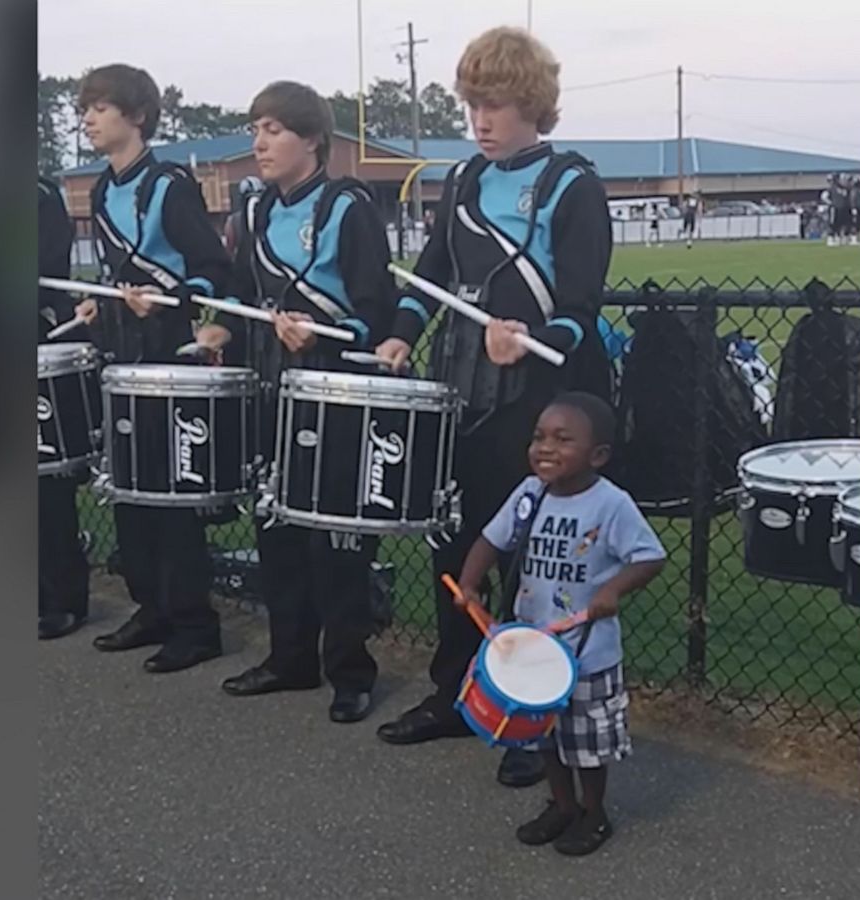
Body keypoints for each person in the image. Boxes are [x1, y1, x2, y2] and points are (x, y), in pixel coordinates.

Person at [372, 26, 615, 789]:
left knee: (533, 564)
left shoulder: (575, 183)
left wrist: (534, 337)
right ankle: (455, 692)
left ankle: (531, 717)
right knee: (458, 545)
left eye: (498, 103)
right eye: (473, 103)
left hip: (545, 392)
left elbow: (582, 298)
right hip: (463, 387)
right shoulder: (464, 180)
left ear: (534, 105)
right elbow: (430, 276)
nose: (481, 119)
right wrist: (403, 336)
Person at [214, 81, 395, 724]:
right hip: (271, 383)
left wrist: (320, 332)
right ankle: (290, 657)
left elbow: (376, 311)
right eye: (255, 128)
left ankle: (351, 669)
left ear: (312, 139)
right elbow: (242, 294)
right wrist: (221, 327)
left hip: (336, 386)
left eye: (273, 130)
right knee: (276, 525)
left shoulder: (351, 207)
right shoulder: (257, 210)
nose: (258, 143)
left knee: (334, 535)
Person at [69, 64, 232, 673]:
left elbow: (213, 269)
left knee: (167, 491)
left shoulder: (169, 184)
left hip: (166, 350)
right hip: (120, 349)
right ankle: (151, 606)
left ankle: (195, 623)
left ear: (135, 116)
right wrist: (104, 297)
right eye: (86, 109)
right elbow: (120, 274)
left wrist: (164, 298)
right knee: (128, 488)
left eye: (101, 108)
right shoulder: (100, 190)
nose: (87, 118)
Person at [456, 392, 666, 855]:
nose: (544, 448)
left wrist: (612, 591)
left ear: (598, 455)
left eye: (562, 439)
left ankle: (594, 813)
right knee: (545, 735)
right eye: (538, 437)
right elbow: (491, 539)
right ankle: (562, 805)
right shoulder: (529, 493)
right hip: (533, 645)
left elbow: (650, 557)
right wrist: (470, 584)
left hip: (588, 651)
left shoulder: (612, 504)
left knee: (586, 744)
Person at [37, 175, 90, 641]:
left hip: (40, 343)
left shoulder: (39, 193)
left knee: (47, 484)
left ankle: (62, 599)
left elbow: (44, 265)